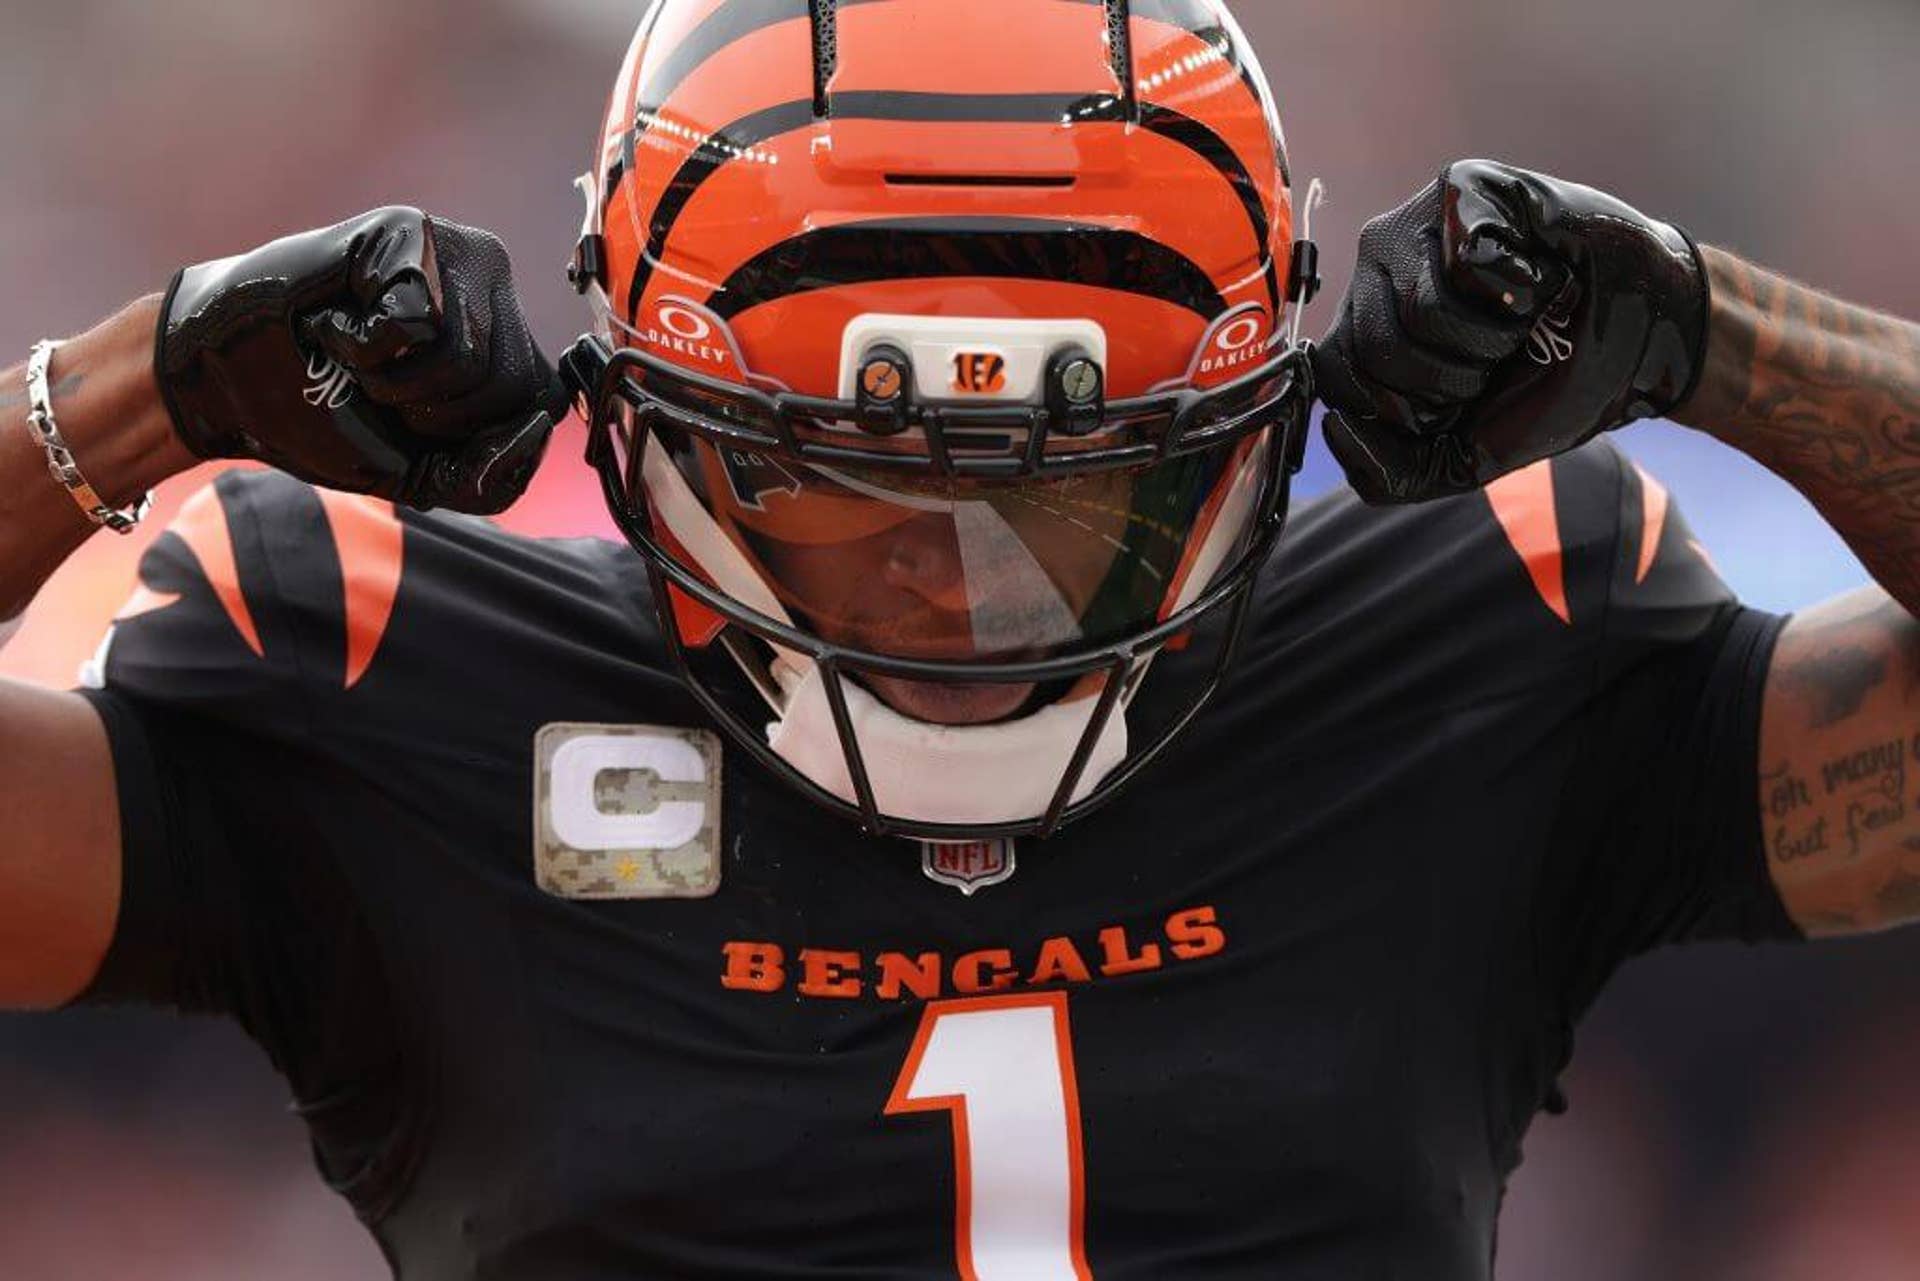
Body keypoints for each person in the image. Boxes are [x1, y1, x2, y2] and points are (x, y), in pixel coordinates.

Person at [0, 1, 1913, 1276]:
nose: (954, 577)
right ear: (644, 404)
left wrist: (1704, 328)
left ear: (1251, 418)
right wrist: (149, 376)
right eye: (839, 483)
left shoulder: (1474, 649)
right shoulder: (389, 685)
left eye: (1070, 491)